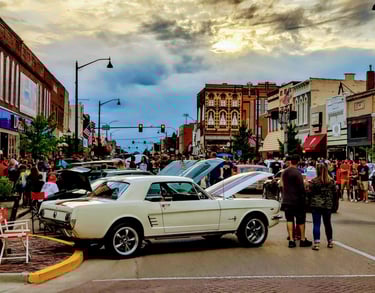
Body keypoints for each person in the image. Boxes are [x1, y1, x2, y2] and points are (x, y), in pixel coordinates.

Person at [281, 154, 312, 248]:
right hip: (297, 201)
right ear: (298, 162)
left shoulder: (284, 172)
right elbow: (301, 189)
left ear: (290, 161)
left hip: (287, 200)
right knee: (301, 220)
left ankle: (291, 240)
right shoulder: (297, 173)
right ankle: (302, 239)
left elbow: (282, 185)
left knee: (289, 220)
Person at [307, 163, 336, 250]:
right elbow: (335, 193)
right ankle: (330, 242)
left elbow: (309, 193)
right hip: (327, 205)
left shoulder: (314, 181)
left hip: (316, 205)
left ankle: (316, 243)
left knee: (316, 224)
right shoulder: (331, 181)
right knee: (327, 224)